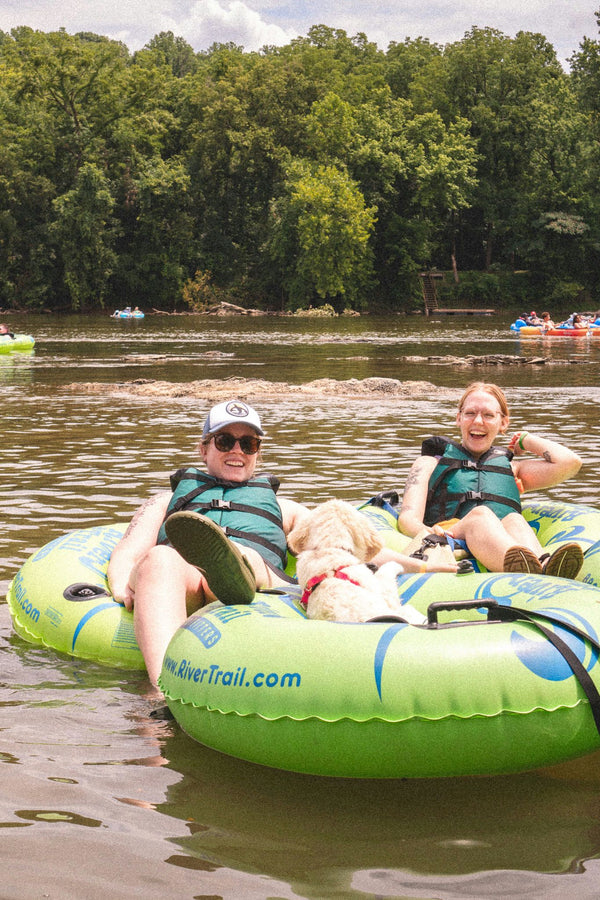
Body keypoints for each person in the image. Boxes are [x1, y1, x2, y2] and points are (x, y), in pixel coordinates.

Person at [397, 381, 584, 579]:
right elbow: (408, 519)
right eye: (470, 413)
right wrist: (432, 534)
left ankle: (541, 565)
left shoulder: (513, 469)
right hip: (451, 538)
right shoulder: (429, 463)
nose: (478, 421)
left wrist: (526, 439)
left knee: (514, 519)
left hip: (503, 540)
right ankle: (529, 573)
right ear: (458, 418)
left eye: (488, 415)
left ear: (503, 423)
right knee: (481, 515)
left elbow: (570, 462)